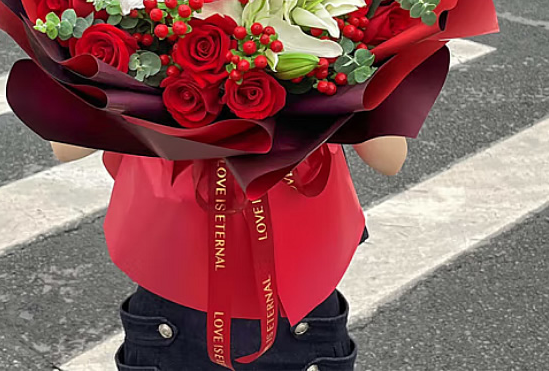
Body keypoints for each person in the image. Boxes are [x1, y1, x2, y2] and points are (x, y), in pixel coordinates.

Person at [51, 136, 407, 370]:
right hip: (175, 309)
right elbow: (67, 146)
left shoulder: (328, 40)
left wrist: (337, 83)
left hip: (299, 314)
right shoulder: (146, 38)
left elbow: (389, 157)